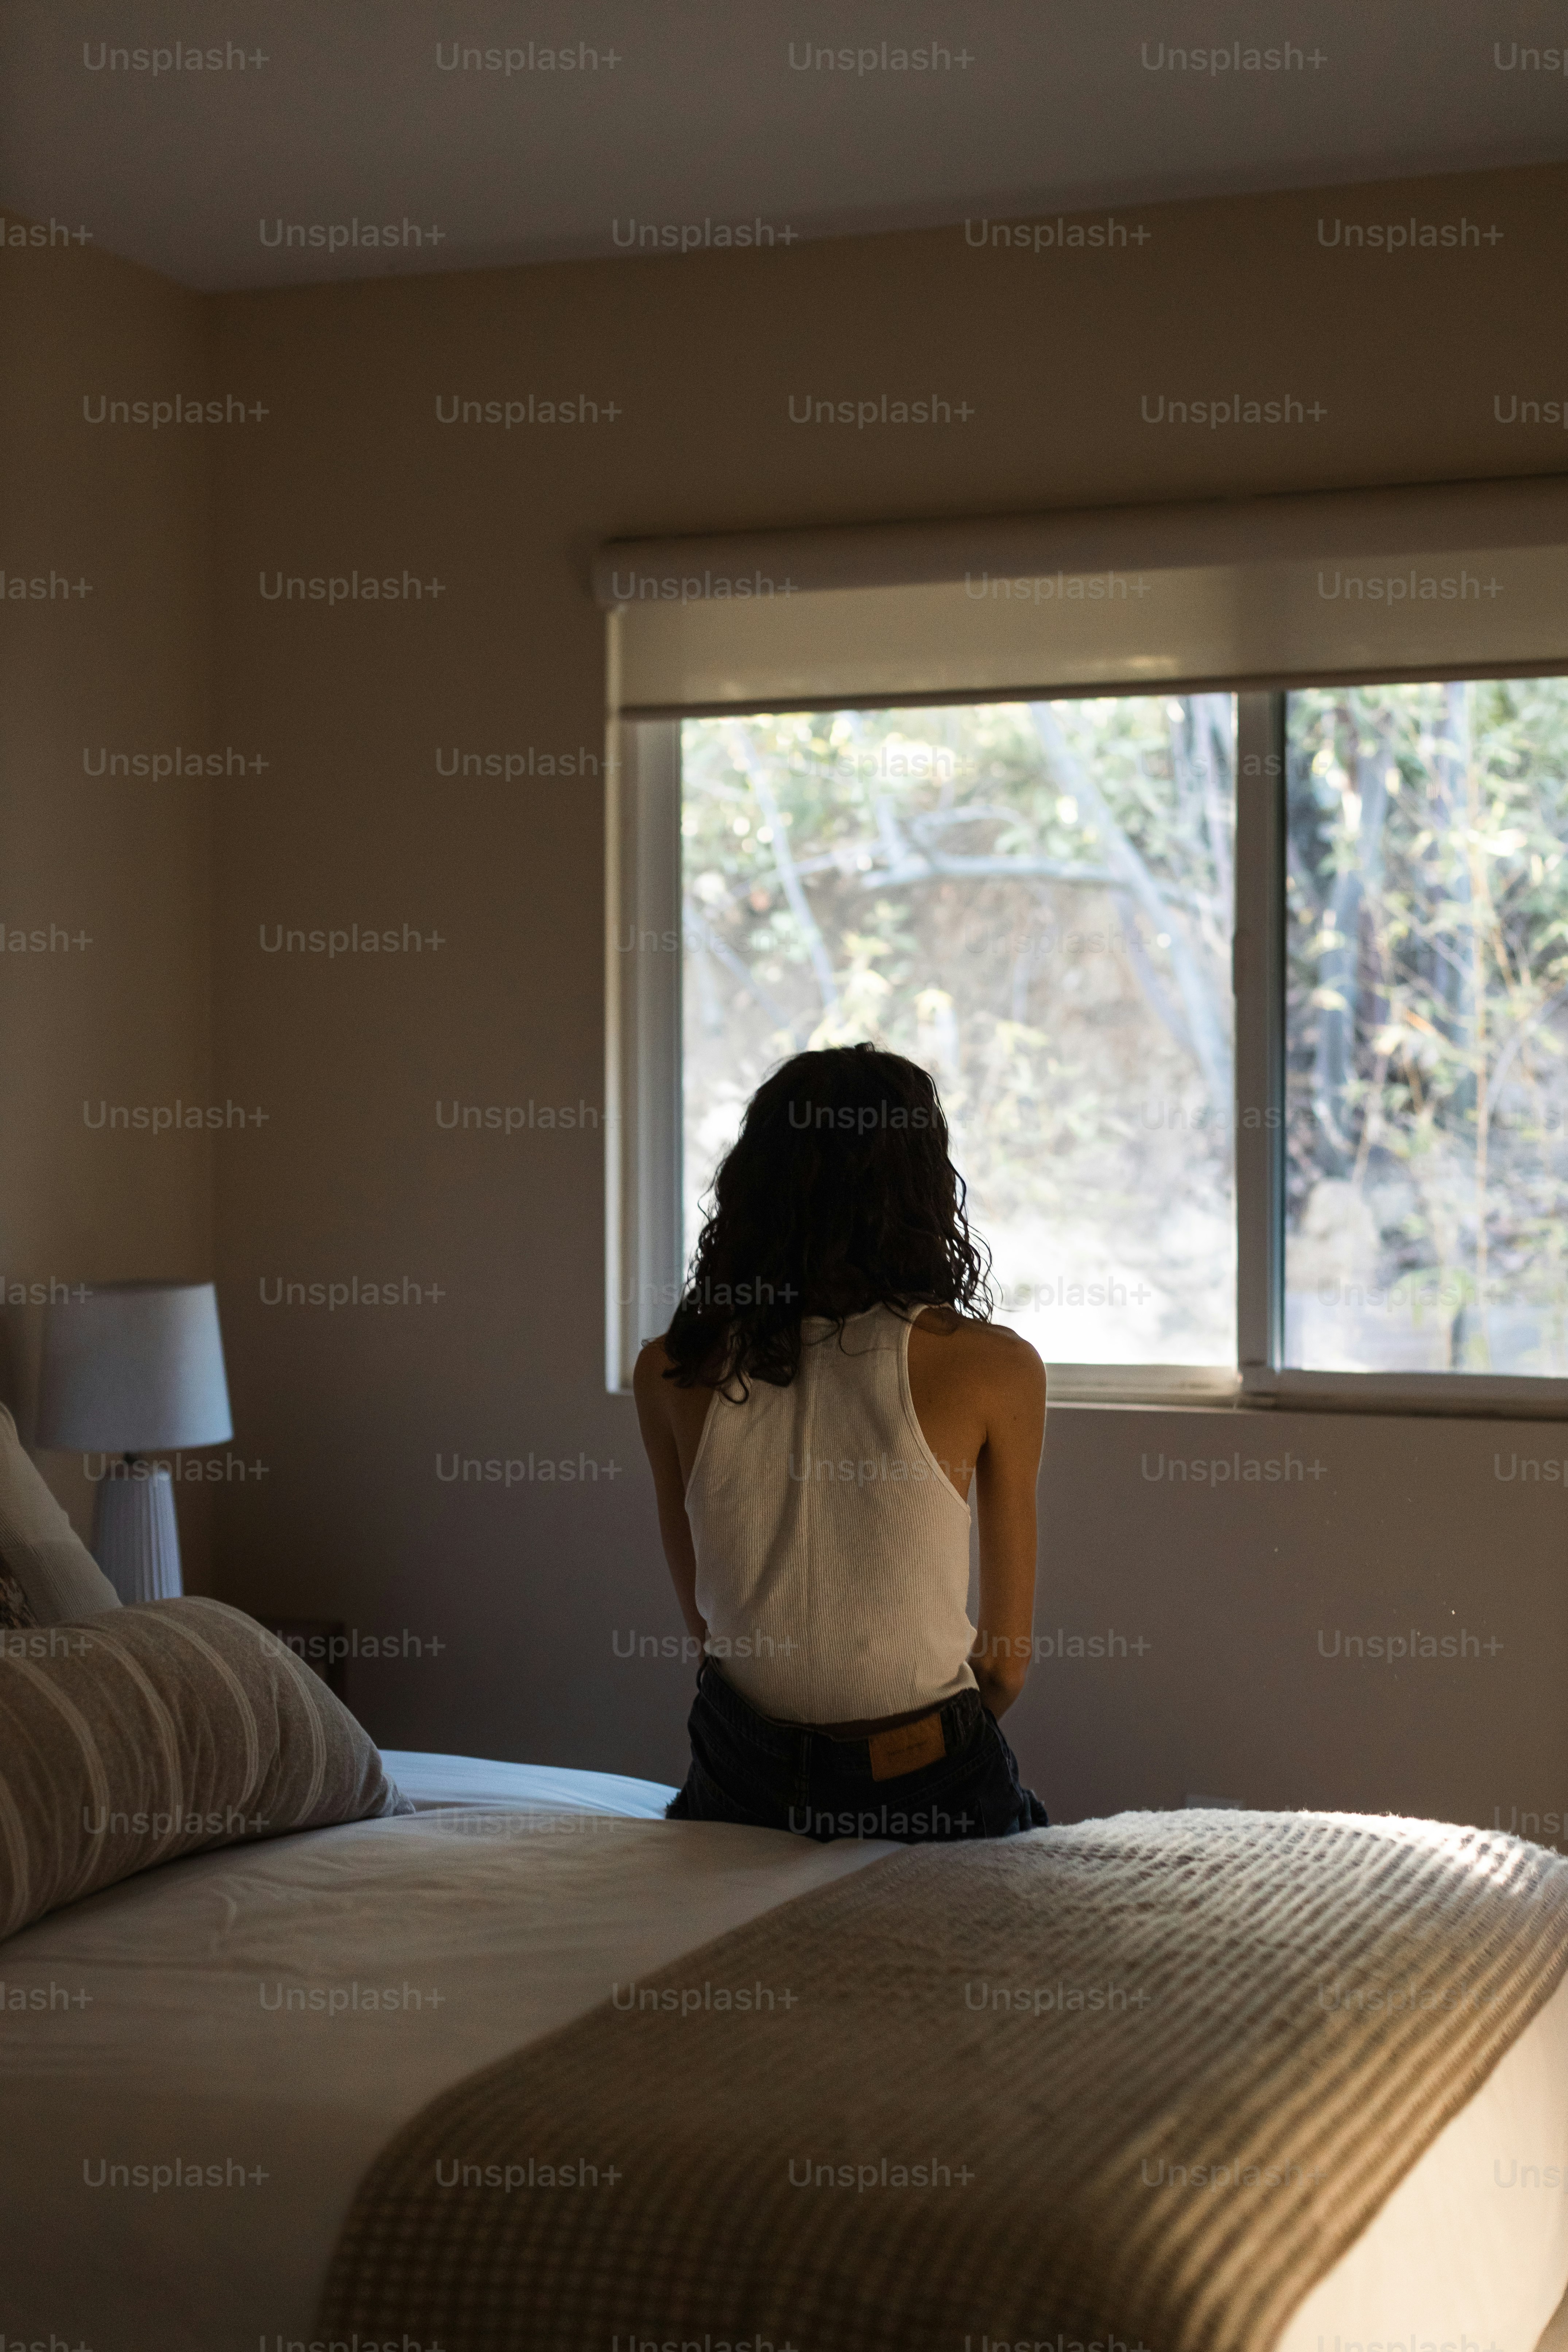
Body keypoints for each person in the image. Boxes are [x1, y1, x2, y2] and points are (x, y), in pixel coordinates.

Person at [633, 1041, 1048, 1843]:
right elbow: (1002, 1667)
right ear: (923, 1188)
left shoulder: (672, 1369)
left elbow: (713, 1636)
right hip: (920, 1769)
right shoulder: (993, 1367)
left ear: (754, 1185)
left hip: (741, 1766)